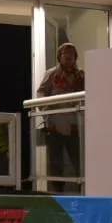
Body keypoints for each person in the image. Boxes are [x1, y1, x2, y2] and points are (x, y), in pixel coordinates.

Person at [36, 42, 86, 193]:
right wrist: (47, 112)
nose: (68, 58)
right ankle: (57, 192)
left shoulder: (81, 75)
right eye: (65, 55)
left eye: (71, 55)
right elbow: (41, 93)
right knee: (56, 161)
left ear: (75, 57)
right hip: (55, 125)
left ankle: (83, 189)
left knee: (79, 160)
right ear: (59, 57)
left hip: (75, 125)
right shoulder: (52, 74)